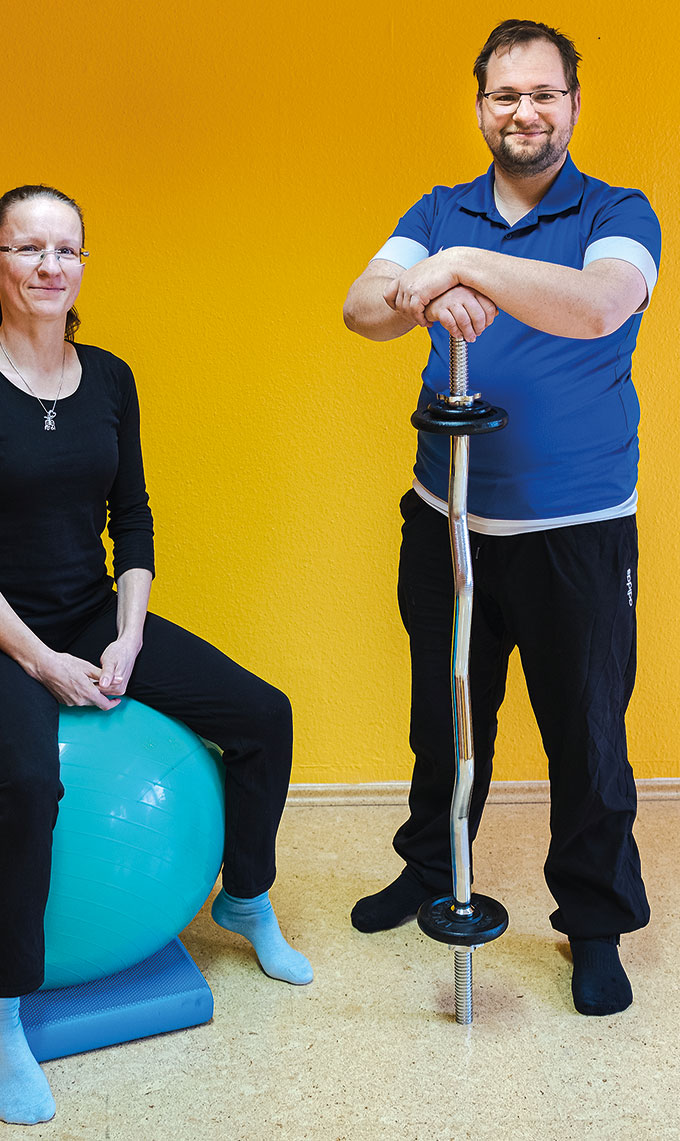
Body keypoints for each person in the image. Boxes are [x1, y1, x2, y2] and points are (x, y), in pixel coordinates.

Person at [0, 184, 312, 1125]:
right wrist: (45, 663)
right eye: (29, 249)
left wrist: (126, 633)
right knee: (28, 780)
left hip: (92, 610)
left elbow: (131, 519)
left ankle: (246, 896)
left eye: (68, 250)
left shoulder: (113, 377)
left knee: (264, 714)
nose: (51, 267)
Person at [343, 19, 660, 1017]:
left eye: (542, 94)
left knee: (586, 739)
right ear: (478, 104)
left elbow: (597, 305)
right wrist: (417, 283)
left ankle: (594, 922)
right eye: (502, 95)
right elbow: (363, 306)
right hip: (445, 522)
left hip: (576, 533)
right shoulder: (438, 210)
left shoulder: (616, 211)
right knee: (444, 723)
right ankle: (431, 869)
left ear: (572, 103)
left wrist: (462, 271)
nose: (522, 111)